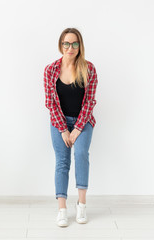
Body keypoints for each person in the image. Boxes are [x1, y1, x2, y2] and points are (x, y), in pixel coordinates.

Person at [43, 27, 98, 227]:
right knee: (62, 162)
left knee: (81, 154)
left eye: (75, 43)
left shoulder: (89, 68)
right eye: (66, 43)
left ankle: (81, 206)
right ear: (61, 45)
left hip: (83, 122)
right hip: (60, 123)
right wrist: (64, 129)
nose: (70, 47)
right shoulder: (50, 70)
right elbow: (51, 103)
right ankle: (62, 209)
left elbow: (89, 102)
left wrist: (76, 129)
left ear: (79, 46)